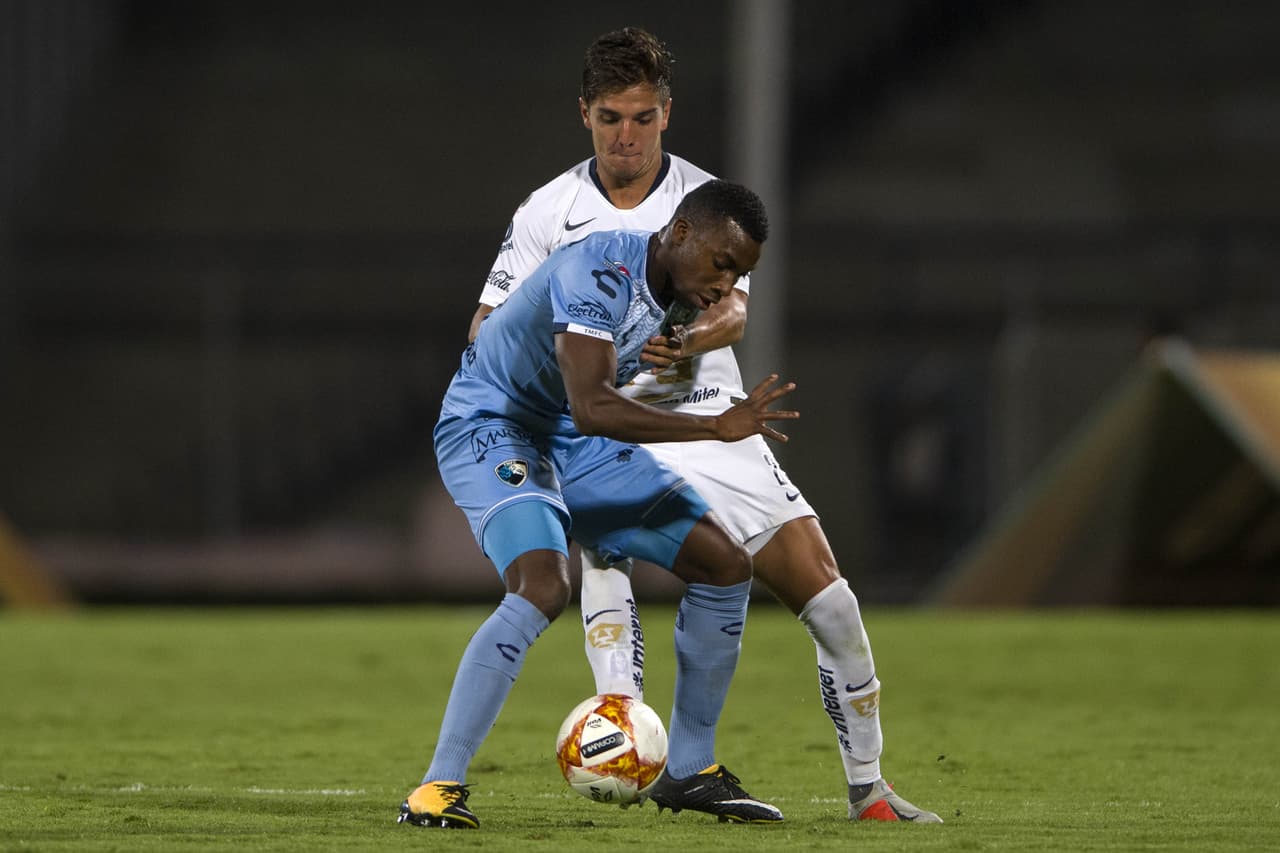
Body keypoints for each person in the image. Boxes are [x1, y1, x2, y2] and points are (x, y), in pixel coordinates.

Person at [469, 27, 941, 824]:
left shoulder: (700, 200)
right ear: (585, 114)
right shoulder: (549, 212)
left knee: (831, 601)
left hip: (711, 417)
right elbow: (487, 324)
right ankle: (632, 731)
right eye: (612, 117)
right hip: (611, 425)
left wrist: (682, 336)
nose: (628, 136)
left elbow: (736, 309)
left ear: (667, 115)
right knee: (605, 544)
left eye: (644, 118)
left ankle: (870, 788)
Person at [400, 180, 795, 830]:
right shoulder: (599, 268)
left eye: (741, 273)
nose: (727, 285)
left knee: (724, 562)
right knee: (543, 584)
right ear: (680, 233)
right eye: (722, 264)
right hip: (490, 423)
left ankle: (690, 769)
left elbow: (605, 401)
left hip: (568, 434)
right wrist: (713, 427)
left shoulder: (677, 301)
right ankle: (435, 788)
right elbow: (595, 404)